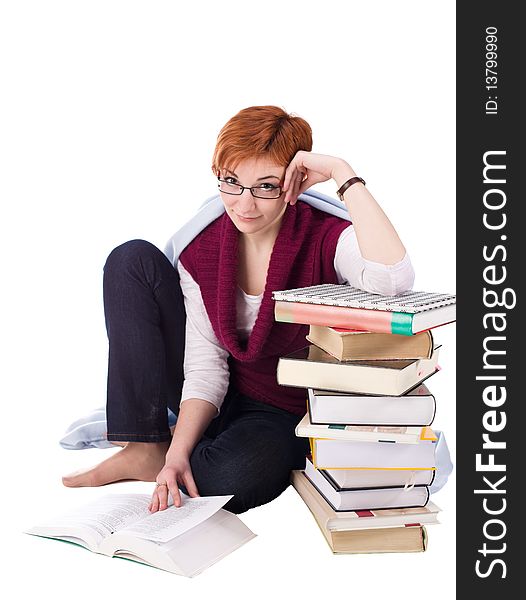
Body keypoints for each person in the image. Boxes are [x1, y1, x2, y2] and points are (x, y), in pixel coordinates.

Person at [62, 105, 415, 514]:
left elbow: (392, 280)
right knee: (133, 260)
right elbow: (205, 366)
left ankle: (199, 451)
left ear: (294, 182)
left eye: (266, 186)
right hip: (213, 390)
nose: (244, 204)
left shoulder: (326, 237)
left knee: (225, 482)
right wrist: (178, 453)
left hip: (279, 405)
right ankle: (149, 447)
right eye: (231, 182)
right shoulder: (205, 244)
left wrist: (343, 172)